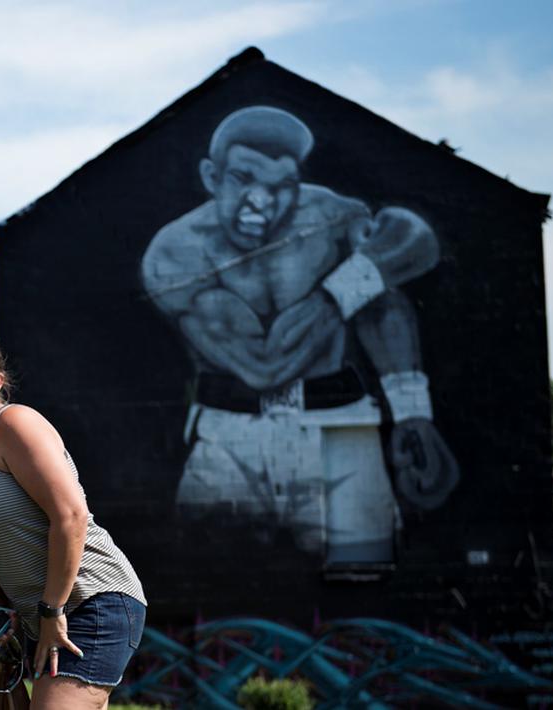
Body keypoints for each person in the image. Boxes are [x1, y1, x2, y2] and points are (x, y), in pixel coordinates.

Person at [140, 105, 459, 563]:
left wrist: (412, 414)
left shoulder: (334, 216)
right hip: (230, 435)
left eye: (280, 187)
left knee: (364, 578)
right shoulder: (176, 253)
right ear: (212, 176)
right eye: (243, 179)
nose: (262, 203)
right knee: (213, 583)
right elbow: (263, 364)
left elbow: (396, 279)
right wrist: (348, 285)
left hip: (340, 422)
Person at [0, 331, 146, 710]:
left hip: (89, 601)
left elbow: (71, 515)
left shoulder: (14, 424)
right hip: (41, 621)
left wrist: (52, 611)